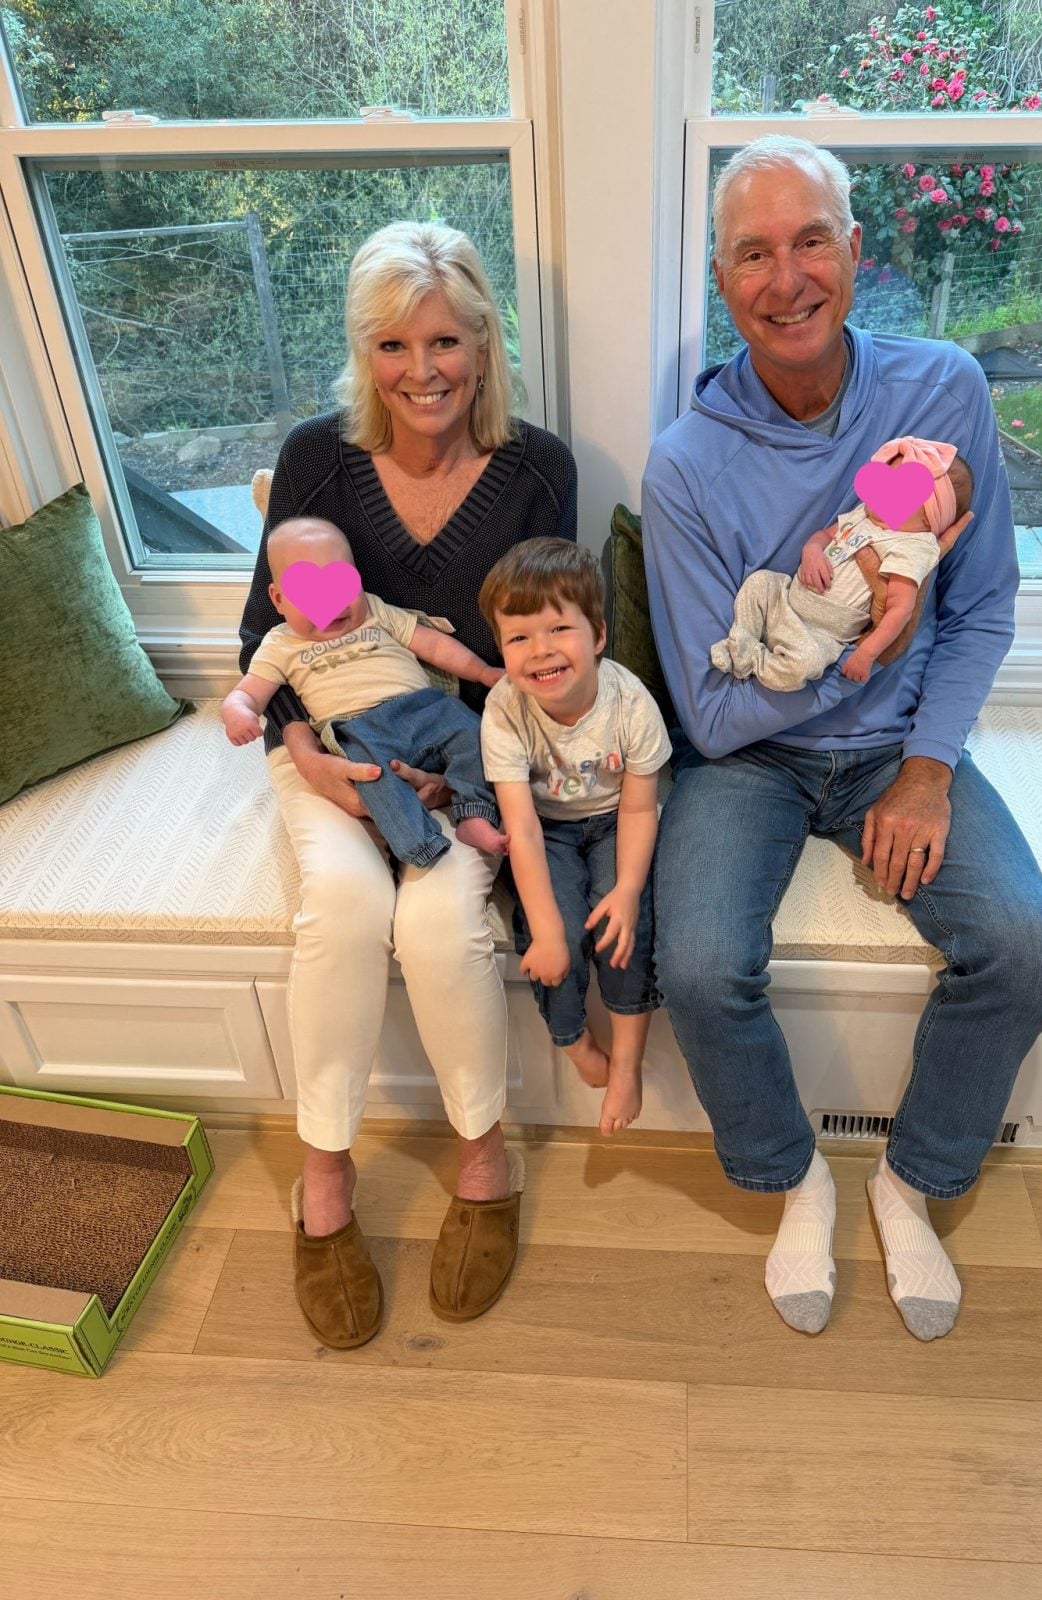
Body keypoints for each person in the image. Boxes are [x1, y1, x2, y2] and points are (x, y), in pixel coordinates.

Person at [642, 135, 1042, 1342]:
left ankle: (910, 1180)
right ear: (723, 280)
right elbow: (714, 712)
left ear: (857, 248)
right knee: (700, 966)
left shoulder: (943, 391)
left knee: (1027, 946)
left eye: (812, 241)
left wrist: (928, 768)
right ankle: (792, 1177)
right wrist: (865, 642)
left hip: (899, 747)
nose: (787, 279)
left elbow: (981, 607)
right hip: (752, 764)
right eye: (754, 254)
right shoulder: (686, 465)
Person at [238, 221, 576, 1342]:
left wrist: (461, 772)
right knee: (342, 905)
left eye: (444, 342)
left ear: (483, 344)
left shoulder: (539, 468)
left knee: (435, 924)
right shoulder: (316, 459)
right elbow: (258, 643)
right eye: (392, 345)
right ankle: (324, 1175)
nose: (421, 371)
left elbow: (540, 650)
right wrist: (315, 764)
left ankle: (486, 1160)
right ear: (363, 351)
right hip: (326, 742)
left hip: (461, 757)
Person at [479, 539, 670, 1135]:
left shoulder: (631, 703)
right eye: (519, 637)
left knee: (624, 928)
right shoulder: (504, 710)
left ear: (598, 635)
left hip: (618, 820)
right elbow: (522, 828)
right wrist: (546, 931)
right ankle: (575, 1042)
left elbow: (640, 807)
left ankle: (628, 1063)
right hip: (546, 831)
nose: (540, 650)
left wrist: (628, 890)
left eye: (559, 629)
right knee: (551, 936)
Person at [224, 515, 508, 864]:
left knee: (471, 729)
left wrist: (482, 671)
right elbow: (248, 692)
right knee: (372, 776)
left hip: (424, 707)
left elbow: (432, 644)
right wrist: (238, 710)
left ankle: (475, 813)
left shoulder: (375, 610)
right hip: (359, 729)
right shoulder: (280, 644)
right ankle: (419, 845)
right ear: (279, 598)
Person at [712, 437, 972, 689]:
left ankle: (754, 661)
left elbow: (900, 609)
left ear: (930, 518)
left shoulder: (913, 547)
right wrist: (812, 550)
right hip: (786, 599)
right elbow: (824, 535)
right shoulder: (864, 514)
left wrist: (867, 653)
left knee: (805, 665)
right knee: (760, 581)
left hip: (821, 634)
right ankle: (741, 641)